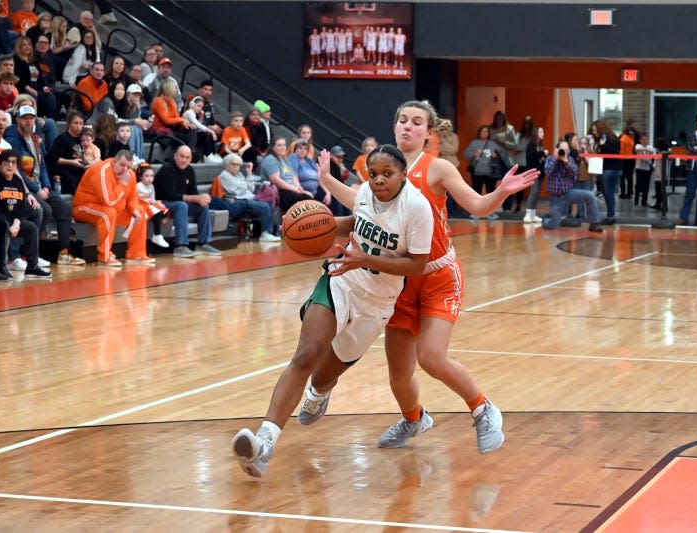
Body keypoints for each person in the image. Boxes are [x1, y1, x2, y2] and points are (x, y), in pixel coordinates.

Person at [312, 100, 539, 454]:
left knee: (431, 357)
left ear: (428, 133)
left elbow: (478, 208)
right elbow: (360, 201)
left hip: (437, 274)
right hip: (399, 279)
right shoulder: (382, 168)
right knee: (398, 373)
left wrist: (500, 193)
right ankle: (415, 418)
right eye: (402, 120)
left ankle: (483, 409)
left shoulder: (439, 168)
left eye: (416, 122)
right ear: (394, 126)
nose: (407, 126)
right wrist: (327, 180)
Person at [231, 144, 435, 478]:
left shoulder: (416, 208)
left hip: (378, 303)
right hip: (341, 281)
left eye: (388, 174)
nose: (379, 180)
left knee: (324, 374)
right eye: (374, 174)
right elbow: (354, 223)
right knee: (306, 353)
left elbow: (417, 264)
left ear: (403, 175)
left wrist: (366, 259)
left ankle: (319, 390)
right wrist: (304, 225)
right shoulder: (366, 194)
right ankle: (263, 443)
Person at [4, 104, 85, 266]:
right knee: (44, 210)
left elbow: (43, 167)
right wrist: (37, 189)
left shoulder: (36, 139)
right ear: (18, 120)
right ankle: (28, 254)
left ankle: (64, 253)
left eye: (31, 118)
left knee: (64, 210)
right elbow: (17, 171)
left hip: (42, 186)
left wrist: (46, 186)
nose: (28, 121)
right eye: (25, 118)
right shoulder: (12, 142)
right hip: (24, 187)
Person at [72, 150, 153, 266]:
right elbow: (108, 201)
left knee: (140, 210)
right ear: (114, 162)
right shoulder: (100, 171)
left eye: (128, 166)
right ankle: (104, 257)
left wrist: (134, 209)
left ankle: (136, 254)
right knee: (108, 213)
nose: (125, 169)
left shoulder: (130, 174)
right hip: (84, 208)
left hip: (113, 209)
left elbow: (132, 197)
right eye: (122, 165)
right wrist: (122, 185)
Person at [0, 149, 50, 278]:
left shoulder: (17, 181)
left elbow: (24, 206)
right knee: (3, 225)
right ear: (0, 164)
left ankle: (32, 267)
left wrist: (17, 223)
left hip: (13, 221)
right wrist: (11, 224)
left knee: (31, 228)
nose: (10, 165)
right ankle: (0, 266)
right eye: (7, 162)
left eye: (13, 162)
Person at [153, 145, 223, 258]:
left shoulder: (190, 170)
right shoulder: (167, 169)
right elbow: (171, 195)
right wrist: (195, 198)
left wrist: (203, 197)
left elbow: (193, 192)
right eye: (181, 156)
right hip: (162, 203)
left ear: (190, 159)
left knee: (203, 206)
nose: (184, 160)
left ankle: (203, 243)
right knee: (182, 205)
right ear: (175, 156)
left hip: (178, 202)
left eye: (187, 157)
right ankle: (180, 246)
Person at [540, 140, 603, 232]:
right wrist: (556, 159)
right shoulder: (550, 159)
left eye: (566, 150)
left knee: (590, 195)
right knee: (553, 225)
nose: (564, 152)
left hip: (568, 194)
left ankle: (594, 223)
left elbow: (575, 172)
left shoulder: (570, 160)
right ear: (557, 149)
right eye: (562, 149)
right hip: (556, 198)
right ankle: (545, 220)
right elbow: (548, 172)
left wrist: (566, 162)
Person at [215, 153, 279, 242]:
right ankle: (265, 233)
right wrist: (245, 184)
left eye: (238, 165)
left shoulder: (240, 175)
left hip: (250, 198)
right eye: (234, 164)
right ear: (227, 164)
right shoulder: (224, 176)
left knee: (270, 202)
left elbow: (251, 188)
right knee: (263, 206)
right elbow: (238, 191)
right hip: (239, 201)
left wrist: (249, 174)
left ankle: (269, 232)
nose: (236, 167)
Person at [464, 125, 508, 219]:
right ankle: (475, 212)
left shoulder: (492, 144)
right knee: (476, 193)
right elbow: (466, 155)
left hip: (490, 173)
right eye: (482, 131)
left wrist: (496, 155)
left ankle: (490, 213)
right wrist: (473, 154)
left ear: (489, 133)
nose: (484, 133)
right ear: (479, 133)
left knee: (491, 194)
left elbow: (503, 154)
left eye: (486, 131)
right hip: (477, 172)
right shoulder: (474, 143)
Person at [260, 136, 311, 211]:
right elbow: (276, 180)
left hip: (291, 190)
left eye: (284, 145)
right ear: (273, 147)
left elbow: (293, 175)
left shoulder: (284, 159)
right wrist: (294, 189)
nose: (282, 147)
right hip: (279, 192)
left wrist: (299, 187)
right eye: (279, 145)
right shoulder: (270, 159)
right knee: (304, 206)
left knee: (310, 200)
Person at [46, 110, 85, 195]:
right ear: (69, 124)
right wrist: (72, 162)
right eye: (76, 123)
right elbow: (54, 159)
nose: (78, 126)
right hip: (65, 171)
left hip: (77, 171)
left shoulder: (81, 140)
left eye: (81, 123)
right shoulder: (62, 139)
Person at [149, 78, 196, 150]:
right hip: (161, 129)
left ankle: (190, 152)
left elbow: (176, 117)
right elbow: (166, 120)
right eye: (175, 88)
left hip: (171, 127)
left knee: (191, 130)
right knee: (187, 137)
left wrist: (185, 124)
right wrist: (181, 120)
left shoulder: (172, 101)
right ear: (169, 88)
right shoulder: (158, 101)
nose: (176, 90)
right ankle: (189, 152)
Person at [590, 119, 621, 225]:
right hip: (610, 169)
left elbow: (611, 152)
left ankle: (611, 216)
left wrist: (602, 145)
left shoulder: (607, 139)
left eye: (595, 130)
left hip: (610, 169)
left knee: (608, 193)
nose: (594, 132)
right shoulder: (612, 138)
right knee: (607, 193)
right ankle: (610, 215)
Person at [135, 163, 170, 248]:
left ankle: (158, 225)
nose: (150, 178)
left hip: (149, 207)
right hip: (141, 208)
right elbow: (133, 200)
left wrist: (159, 204)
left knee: (166, 210)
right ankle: (157, 235)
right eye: (146, 176)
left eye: (152, 176)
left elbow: (152, 200)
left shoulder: (152, 186)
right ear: (140, 177)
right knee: (156, 212)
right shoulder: (137, 186)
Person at [522, 125, 548, 223]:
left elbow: (541, 159)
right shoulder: (532, 144)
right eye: (541, 132)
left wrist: (543, 155)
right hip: (533, 172)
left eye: (543, 132)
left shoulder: (540, 144)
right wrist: (542, 154)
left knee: (536, 193)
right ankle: (528, 214)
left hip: (540, 172)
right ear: (536, 133)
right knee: (533, 192)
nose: (543, 134)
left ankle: (533, 214)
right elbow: (531, 158)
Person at [634, 134, 655, 208]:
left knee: (646, 185)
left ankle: (644, 201)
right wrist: (645, 150)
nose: (645, 141)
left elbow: (652, 152)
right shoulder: (638, 146)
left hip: (647, 168)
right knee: (639, 183)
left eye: (646, 139)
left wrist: (646, 150)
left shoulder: (650, 147)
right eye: (643, 139)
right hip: (639, 168)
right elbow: (637, 150)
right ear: (640, 140)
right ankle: (636, 201)